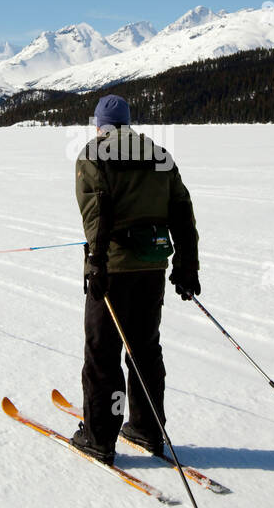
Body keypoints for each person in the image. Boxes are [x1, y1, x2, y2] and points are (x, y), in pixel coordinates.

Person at [70, 94, 200, 466]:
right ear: (127, 122)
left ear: (100, 124)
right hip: (152, 269)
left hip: (111, 271)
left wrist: (96, 263)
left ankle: (99, 438)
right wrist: (187, 266)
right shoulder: (160, 155)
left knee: (102, 355)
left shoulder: (93, 155)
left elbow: (95, 211)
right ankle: (146, 428)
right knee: (144, 350)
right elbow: (182, 212)